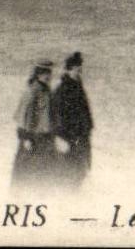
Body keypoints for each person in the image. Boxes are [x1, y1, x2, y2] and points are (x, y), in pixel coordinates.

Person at [51, 52, 93, 182]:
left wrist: (88, 128)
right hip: (69, 138)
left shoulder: (77, 86)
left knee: (82, 170)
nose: (78, 73)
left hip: (81, 136)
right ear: (68, 70)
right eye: (76, 70)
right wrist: (59, 137)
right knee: (70, 172)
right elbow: (56, 115)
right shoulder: (62, 89)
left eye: (80, 70)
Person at [13, 61, 56, 180]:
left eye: (49, 73)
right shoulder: (32, 91)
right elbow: (25, 115)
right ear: (38, 74)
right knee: (28, 171)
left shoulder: (46, 91)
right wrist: (26, 137)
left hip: (45, 137)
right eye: (45, 73)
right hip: (32, 138)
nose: (48, 76)